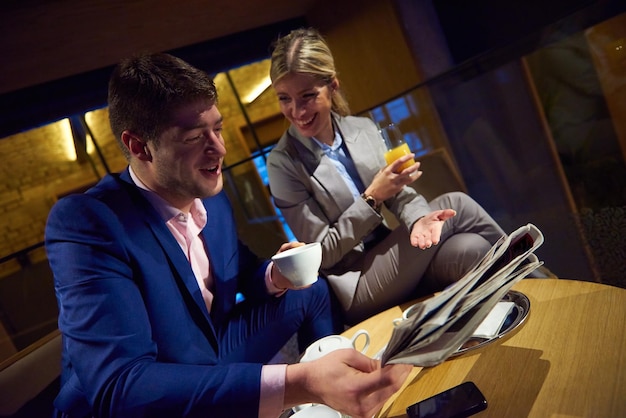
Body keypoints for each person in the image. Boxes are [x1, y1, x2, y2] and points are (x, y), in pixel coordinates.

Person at [45, 52, 411, 418]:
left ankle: (333, 400)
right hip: (146, 390)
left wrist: (275, 276)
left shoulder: (212, 202)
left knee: (312, 288)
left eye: (217, 129)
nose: (219, 149)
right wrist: (297, 382)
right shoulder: (88, 223)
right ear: (140, 147)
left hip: (212, 349)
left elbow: (242, 272)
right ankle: (318, 386)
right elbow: (121, 386)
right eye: (193, 137)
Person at [266, 28, 509, 325]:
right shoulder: (282, 163)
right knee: (457, 202)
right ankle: (536, 280)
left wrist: (420, 219)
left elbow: (402, 194)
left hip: (394, 265)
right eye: (284, 99)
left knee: (471, 249)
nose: (296, 110)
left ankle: (504, 327)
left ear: (332, 86)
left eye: (307, 96)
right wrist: (372, 197)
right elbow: (323, 254)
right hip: (355, 284)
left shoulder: (362, 129)